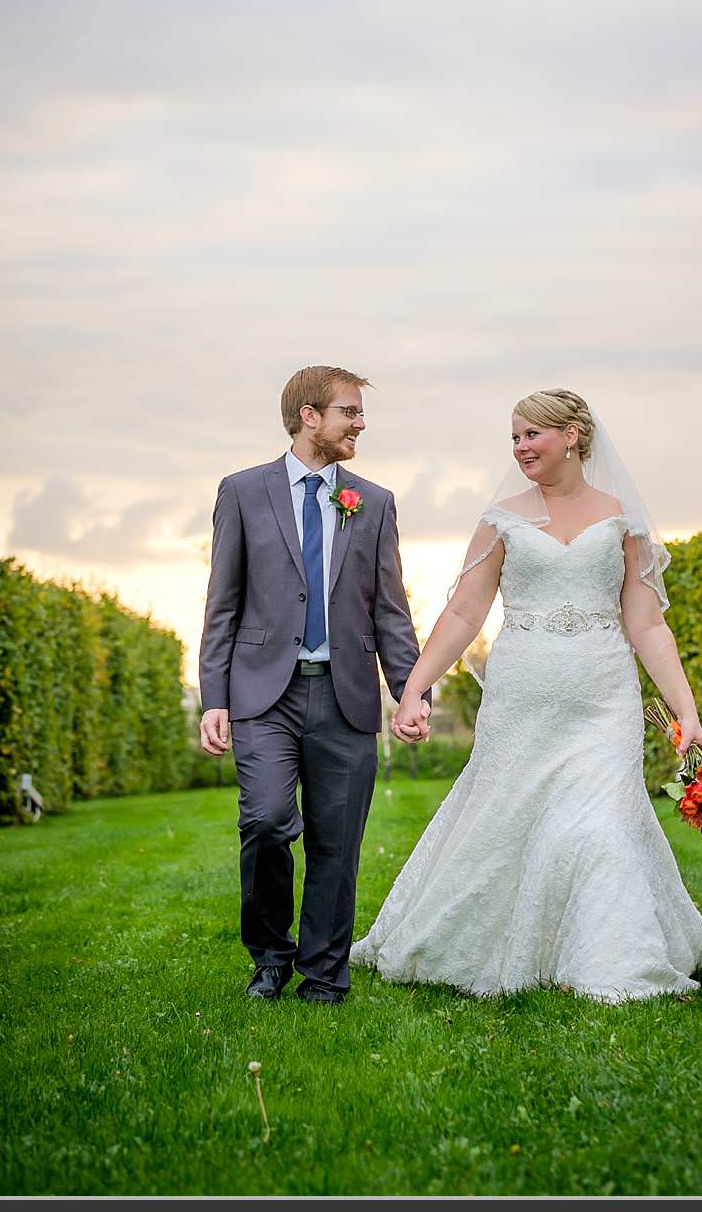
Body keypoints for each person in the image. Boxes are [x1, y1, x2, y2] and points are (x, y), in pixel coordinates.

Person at [354, 388, 702, 1003]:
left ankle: (614, 961)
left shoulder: (621, 520)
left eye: (532, 435)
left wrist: (685, 711)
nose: (521, 447)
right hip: (522, 694)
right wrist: (415, 688)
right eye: (515, 438)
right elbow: (464, 612)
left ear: (574, 435)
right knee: (506, 817)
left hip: (603, 698)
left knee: (601, 824)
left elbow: (647, 623)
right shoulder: (502, 520)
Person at [197, 365, 421, 1004]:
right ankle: (270, 955)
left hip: (346, 693)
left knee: (337, 839)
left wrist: (411, 692)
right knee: (266, 820)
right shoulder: (242, 491)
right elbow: (223, 601)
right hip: (264, 694)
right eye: (350, 411)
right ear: (309, 417)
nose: (360, 423)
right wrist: (215, 696)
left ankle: (324, 973)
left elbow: (390, 609)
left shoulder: (374, 501)